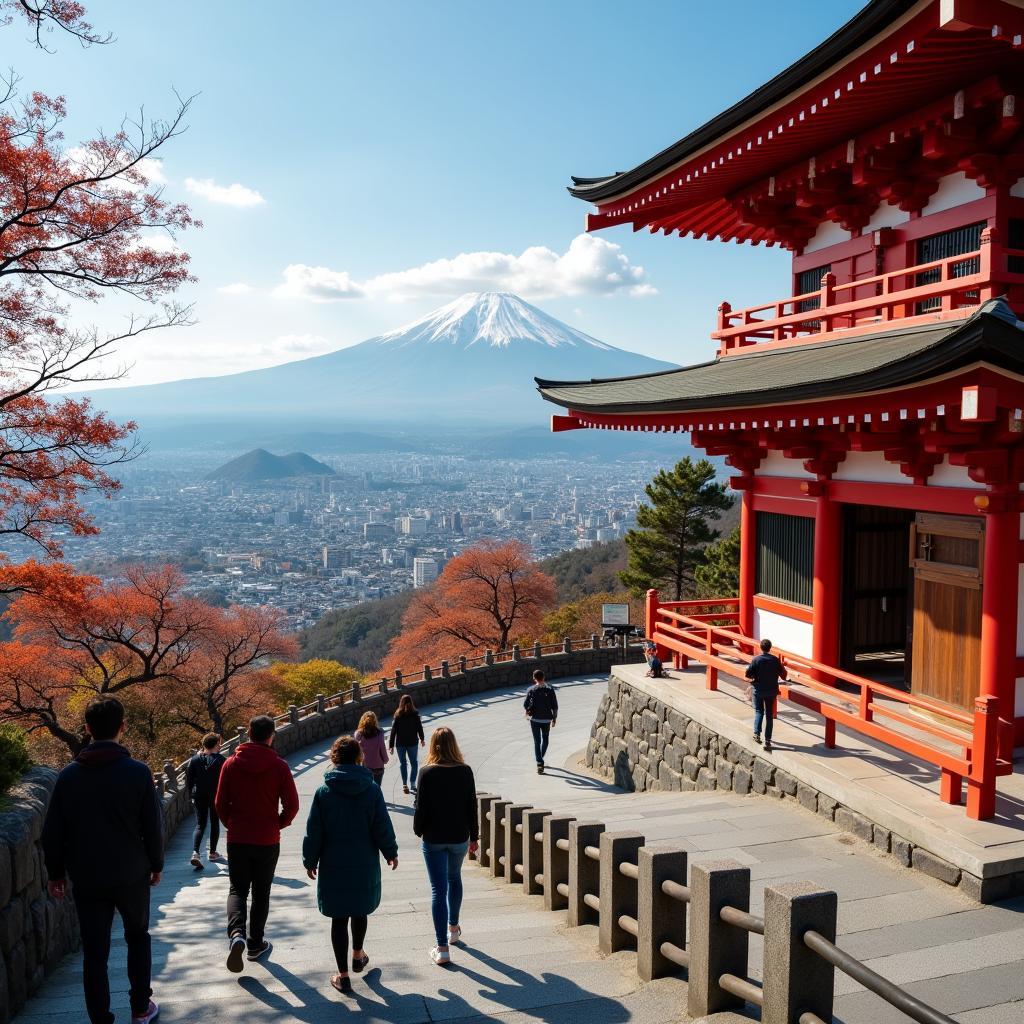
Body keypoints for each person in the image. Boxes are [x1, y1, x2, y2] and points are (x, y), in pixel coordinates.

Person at [41, 697, 162, 1024]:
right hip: (131, 873)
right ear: (122, 727)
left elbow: (52, 832)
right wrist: (156, 864)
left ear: (87, 729)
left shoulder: (68, 777)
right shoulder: (138, 773)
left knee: (95, 951)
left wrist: (56, 873)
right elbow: (152, 825)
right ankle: (140, 1009)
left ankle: (100, 1018)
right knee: (138, 937)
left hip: (88, 875)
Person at [302, 735, 399, 994]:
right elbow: (382, 825)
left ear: (334, 758)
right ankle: (357, 954)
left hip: (333, 863)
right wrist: (391, 851)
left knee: (338, 917)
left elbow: (314, 831)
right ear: (359, 757)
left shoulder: (324, 791)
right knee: (359, 909)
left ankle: (343, 976)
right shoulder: (371, 789)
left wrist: (309, 860)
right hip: (363, 861)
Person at [214, 713, 300, 973]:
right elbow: (293, 806)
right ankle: (254, 943)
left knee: (237, 890)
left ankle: (237, 934)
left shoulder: (230, 764)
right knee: (262, 892)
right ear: (271, 736)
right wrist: (278, 823)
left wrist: (232, 824)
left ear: (248, 733)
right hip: (267, 838)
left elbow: (219, 803)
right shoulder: (279, 766)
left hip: (238, 837)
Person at [413, 727, 478, 966]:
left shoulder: (426, 772)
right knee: (454, 879)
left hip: (434, 837)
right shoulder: (465, 771)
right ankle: (453, 929)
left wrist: (418, 830)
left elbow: (420, 807)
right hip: (459, 835)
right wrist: (475, 836)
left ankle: (441, 948)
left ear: (433, 746)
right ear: (454, 745)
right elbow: (472, 805)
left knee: (437, 890)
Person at [186, 732, 225, 870]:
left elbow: (189, 780)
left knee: (200, 824)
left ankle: (196, 852)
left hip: (199, 795)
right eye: (219, 743)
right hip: (215, 795)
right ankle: (213, 853)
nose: (220, 746)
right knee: (214, 822)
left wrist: (191, 795)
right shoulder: (221, 760)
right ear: (215, 745)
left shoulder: (195, 760)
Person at [744, 638, 788, 753]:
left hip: (758, 690)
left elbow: (748, 673)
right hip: (771, 691)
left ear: (761, 647)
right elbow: (783, 675)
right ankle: (768, 740)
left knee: (759, 711)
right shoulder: (775, 660)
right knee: (769, 715)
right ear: (770, 648)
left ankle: (757, 734)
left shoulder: (756, 660)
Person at [523, 669, 558, 774]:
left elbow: (525, 704)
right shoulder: (550, 689)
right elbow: (555, 706)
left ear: (534, 678)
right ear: (544, 677)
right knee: (545, 740)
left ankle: (539, 762)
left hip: (534, 720)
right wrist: (554, 718)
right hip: (547, 719)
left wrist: (528, 711)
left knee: (537, 741)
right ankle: (540, 759)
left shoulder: (531, 689)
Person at [389, 694, 425, 795]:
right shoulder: (415, 714)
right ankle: (412, 784)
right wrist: (422, 739)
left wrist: (391, 745)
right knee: (414, 763)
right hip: (412, 742)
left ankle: (405, 784)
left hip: (400, 743)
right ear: (411, 702)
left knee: (403, 763)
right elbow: (419, 728)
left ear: (401, 703)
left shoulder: (398, 715)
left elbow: (393, 731)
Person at [355, 711, 389, 787]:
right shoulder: (379, 733)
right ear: (375, 721)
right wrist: (385, 760)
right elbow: (382, 749)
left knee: (367, 788)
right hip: (378, 765)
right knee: (377, 788)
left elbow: (357, 752)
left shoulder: (358, 734)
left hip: (365, 766)